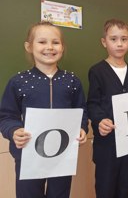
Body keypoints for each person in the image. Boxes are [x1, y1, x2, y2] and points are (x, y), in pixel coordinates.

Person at [0, 21, 88, 198]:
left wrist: (82, 128)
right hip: (29, 154)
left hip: (62, 155)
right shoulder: (18, 81)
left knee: (60, 194)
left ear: (62, 47)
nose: (49, 47)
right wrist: (14, 130)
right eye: (42, 42)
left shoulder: (72, 81)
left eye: (55, 42)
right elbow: (6, 115)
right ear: (29, 46)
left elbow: (81, 111)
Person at [87, 19, 128, 198]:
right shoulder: (97, 71)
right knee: (105, 184)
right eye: (113, 39)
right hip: (107, 142)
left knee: (124, 183)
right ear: (104, 42)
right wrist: (99, 120)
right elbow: (93, 103)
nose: (119, 43)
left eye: (124, 39)